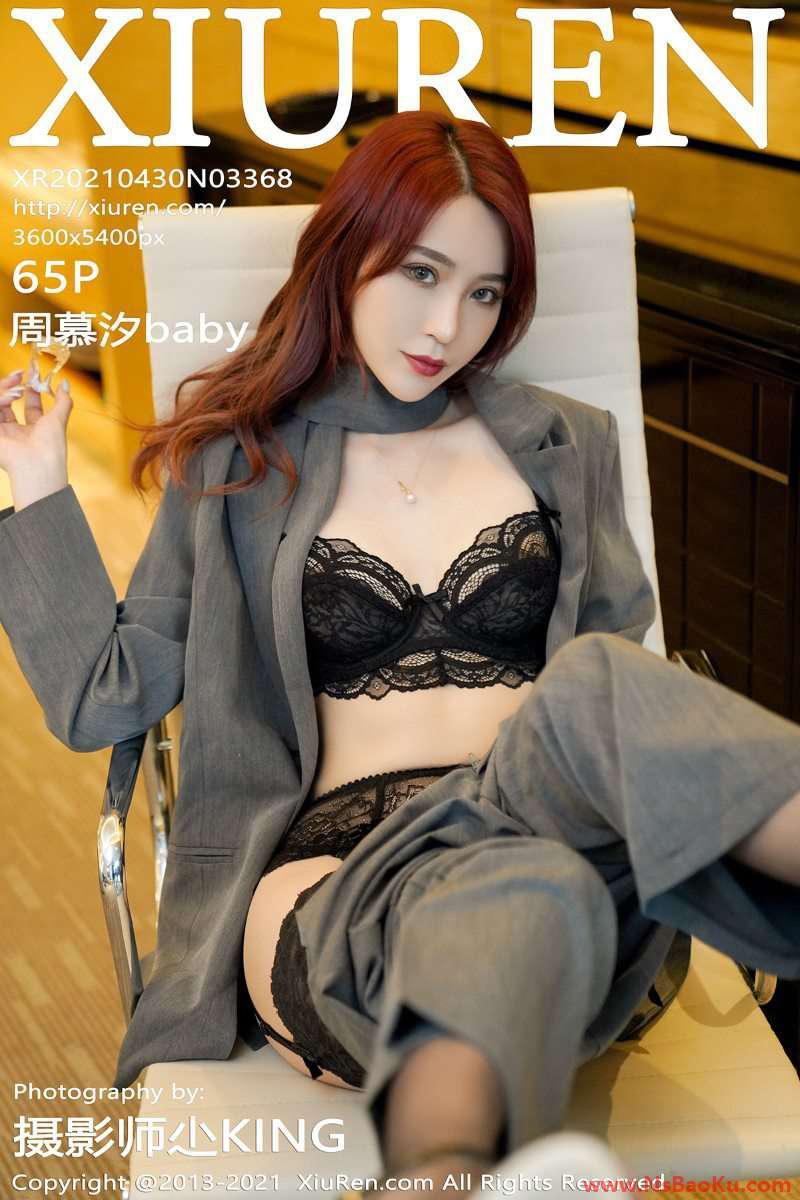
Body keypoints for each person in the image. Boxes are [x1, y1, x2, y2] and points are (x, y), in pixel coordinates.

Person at [1, 112, 799, 1197]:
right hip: (338, 888)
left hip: (547, 838)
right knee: (514, 888)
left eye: (484, 293)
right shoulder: (238, 462)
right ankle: (446, 1167)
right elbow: (106, 695)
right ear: (348, 251)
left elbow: (617, 704)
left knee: (591, 704)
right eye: (421, 273)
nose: (446, 326)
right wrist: (38, 479)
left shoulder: (563, 443)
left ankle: (438, 1177)